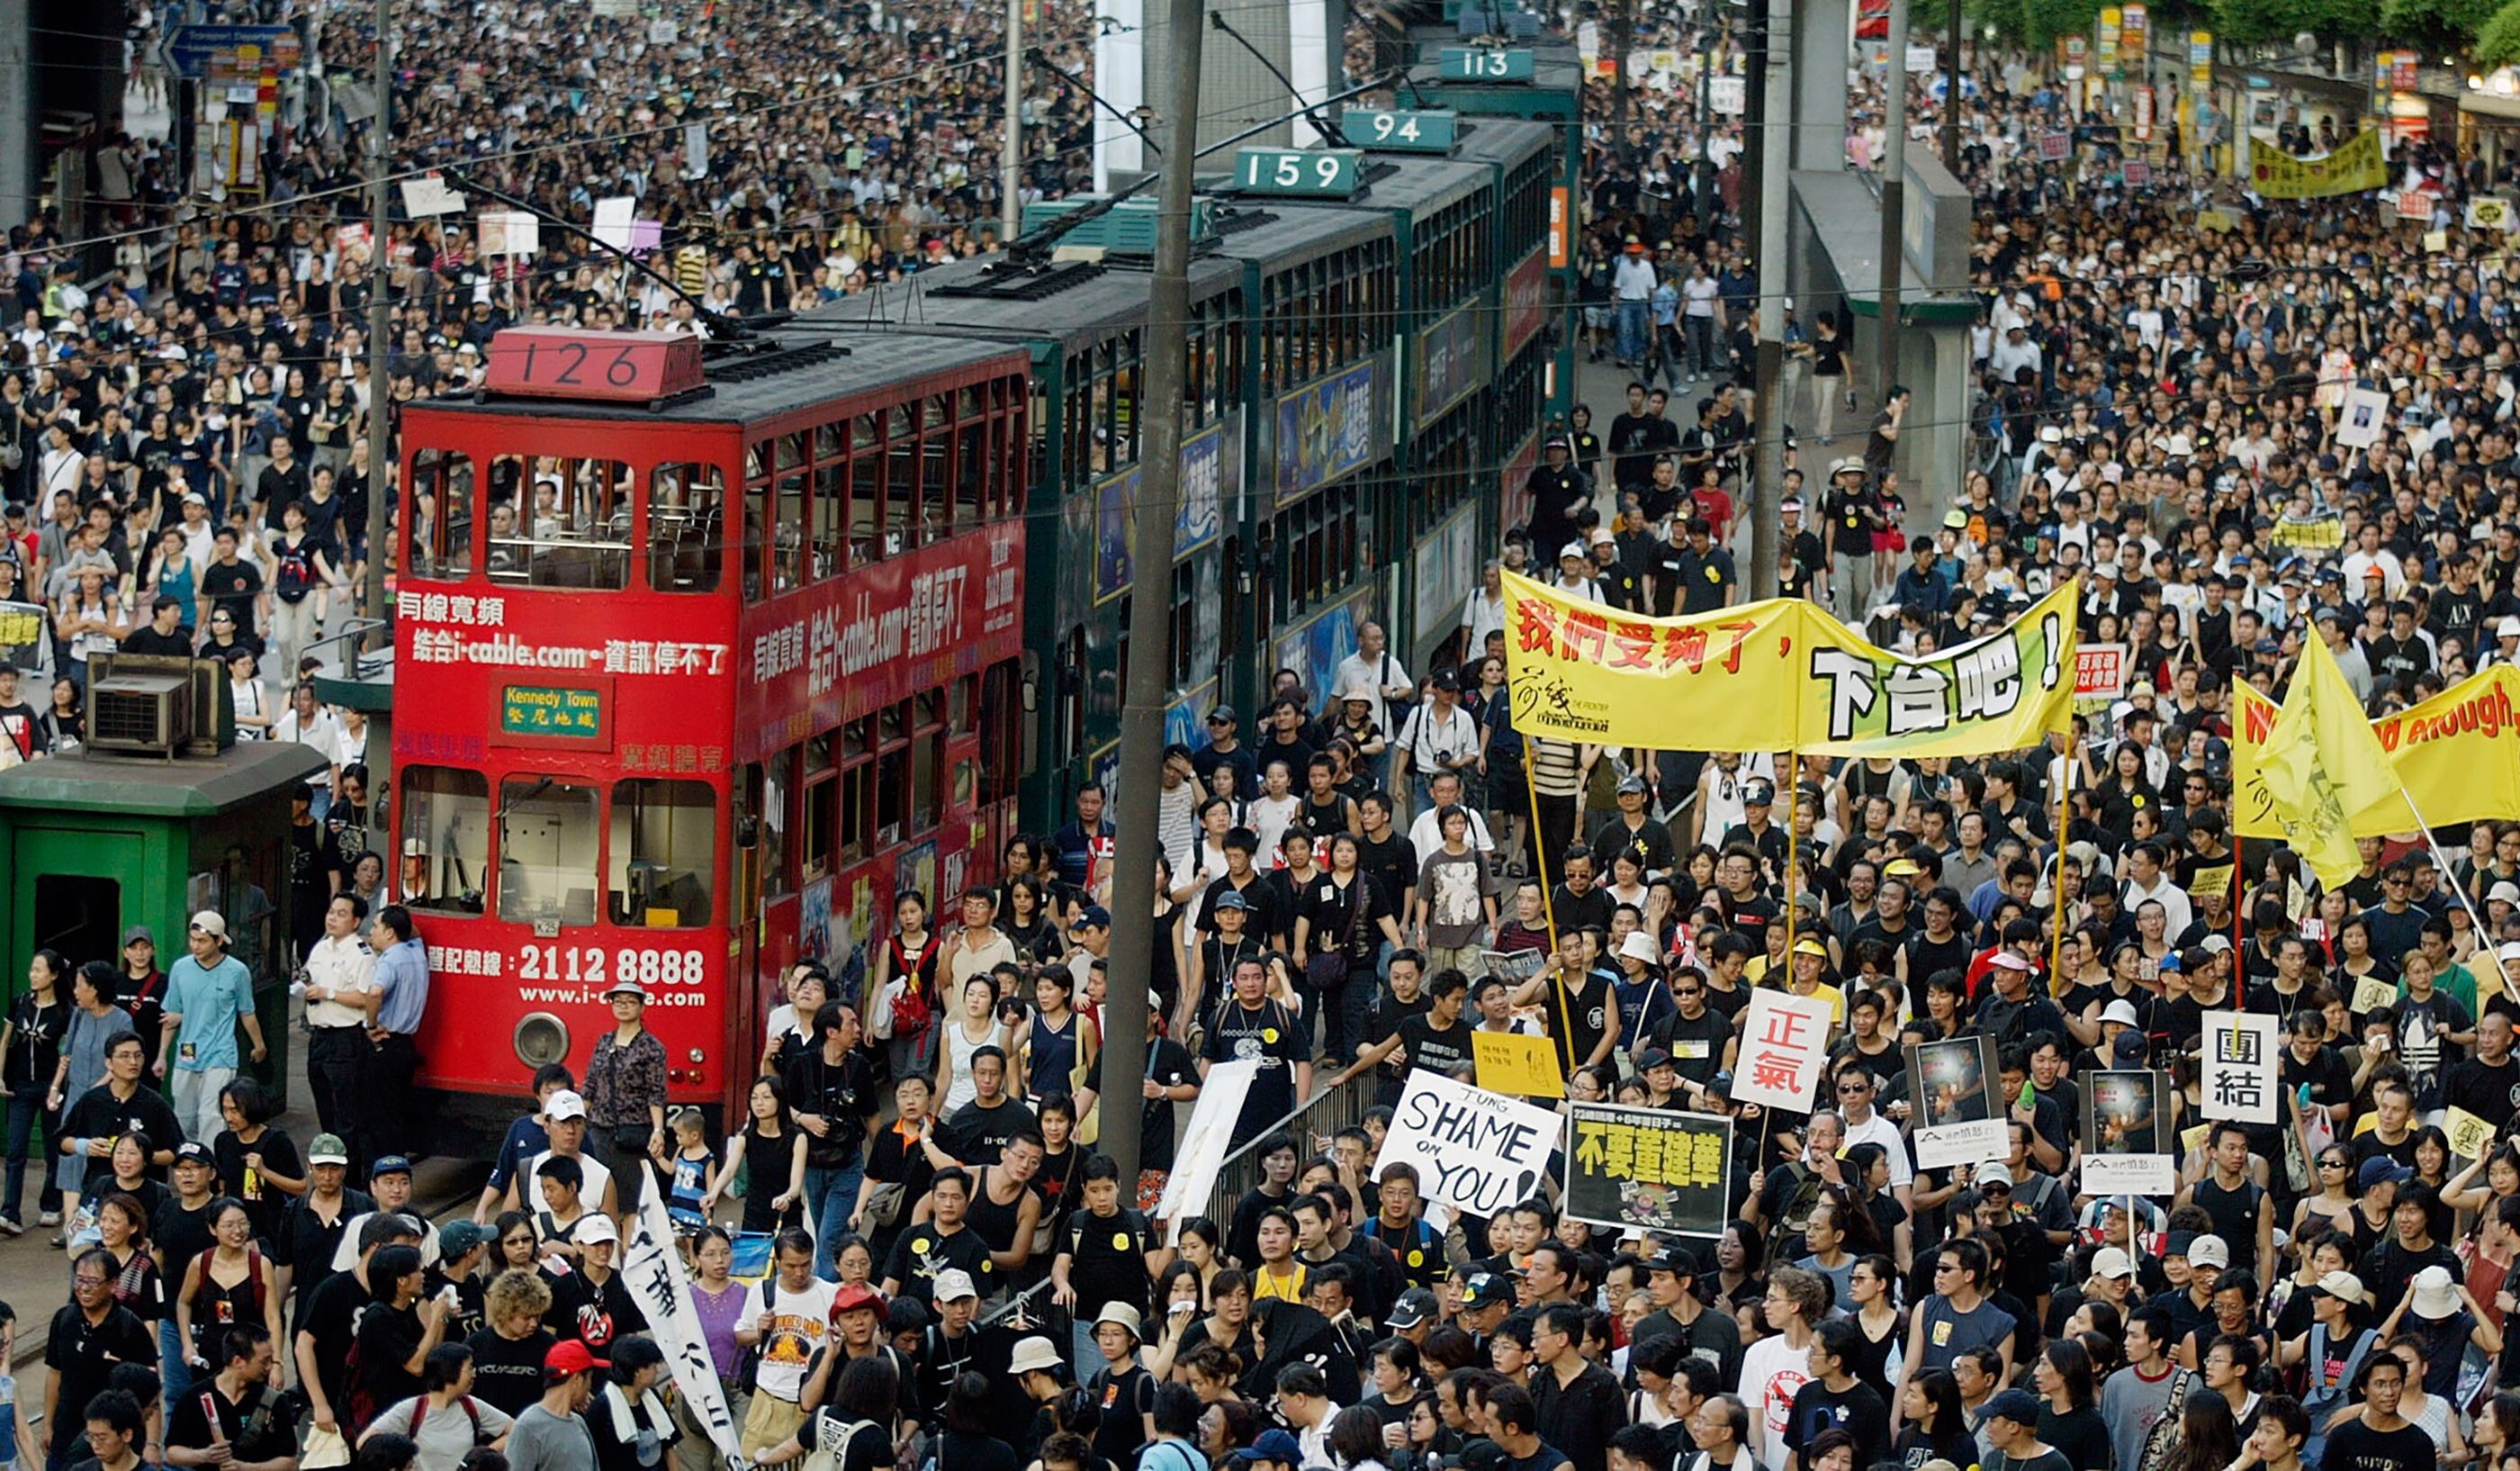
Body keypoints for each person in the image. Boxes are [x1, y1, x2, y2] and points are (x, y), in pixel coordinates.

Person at [782, 1003, 878, 1280]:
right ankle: (848, 1288)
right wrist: (805, 1118)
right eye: (851, 1024)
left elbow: (871, 1115)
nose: (857, 1030)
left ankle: (823, 1300)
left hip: (848, 1164)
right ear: (831, 1031)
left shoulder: (859, 1067)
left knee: (829, 1237)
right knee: (835, 1235)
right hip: (813, 1164)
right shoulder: (803, 1064)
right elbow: (781, 1106)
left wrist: (881, 1164)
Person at [157, 911, 266, 1147]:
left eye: (202, 941)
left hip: (221, 1053)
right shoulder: (180, 968)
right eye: (192, 939)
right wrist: (161, 1056)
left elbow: (247, 1013)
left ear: (218, 941)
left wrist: (259, 1045)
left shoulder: (237, 972)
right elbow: (170, 1016)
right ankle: (186, 1163)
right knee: (183, 1116)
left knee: (212, 1116)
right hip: (188, 1051)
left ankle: (210, 1168)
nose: (195, 946)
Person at [45, 1251, 156, 1471]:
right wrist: (48, 1425)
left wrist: (152, 1444)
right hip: (65, 1433)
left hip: (112, 1440)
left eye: (93, 1282)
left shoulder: (130, 1328)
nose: (84, 1288)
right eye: (80, 1279)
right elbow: (55, 1373)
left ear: (113, 1284)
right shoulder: (63, 1319)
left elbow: (149, 1393)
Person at [361, 1342, 517, 1471]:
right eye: (469, 1368)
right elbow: (365, 1443)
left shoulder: (472, 1406)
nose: (474, 1374)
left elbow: (517, 1430)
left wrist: (483, 1456)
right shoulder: (413, 1408)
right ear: (450, 1370)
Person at [580, 980, 668, 1206]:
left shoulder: (651, 1047)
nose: (623, 1006)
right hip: (599, 1130)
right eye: (618, 1002)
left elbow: (655, 1092)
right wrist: (578, 1117)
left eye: (630, 1002)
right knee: (597, 1196)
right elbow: (590, 1084)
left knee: (632, 1201)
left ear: (642, 1007)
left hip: (632, 1133)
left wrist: (658, 1130)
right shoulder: (604, 1041)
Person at [166, 1322, 295, 1471]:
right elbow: (172, 1452)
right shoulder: (194, 1398)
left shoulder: (274, 1401)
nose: (269, 1367)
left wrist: (247, 1468)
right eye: (264, 1361)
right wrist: (204, 1455)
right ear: (238, 1362)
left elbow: (289, 1462)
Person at [364, 907, 430, 1165]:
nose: (371, 932)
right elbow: (416, 931)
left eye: (376, 927)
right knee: (397, 1111)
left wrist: (371, 1025)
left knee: (379, 1116)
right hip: (407, 1044)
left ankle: (383, 1172)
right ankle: (397, 1169)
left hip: (386, 1042)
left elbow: (374, 993)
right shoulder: (416, 952)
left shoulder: (390, 960)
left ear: (390, 933)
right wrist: (399, 915)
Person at [504, 1342, 604, 1471]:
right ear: (577, 1379)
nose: (590, 1386)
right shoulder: (528, 1426)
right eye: (590, 1378)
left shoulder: (579, 1423)